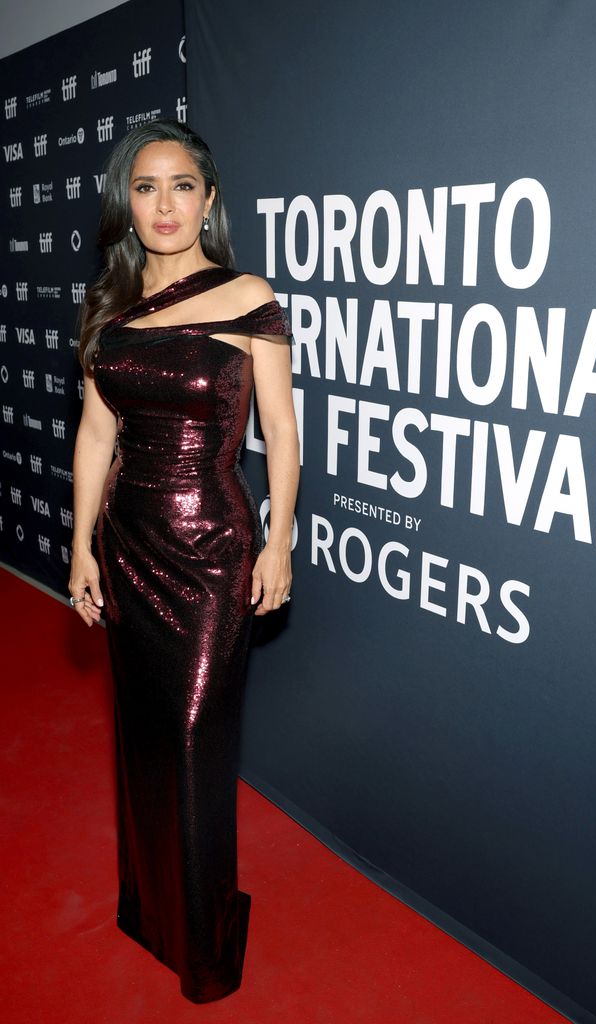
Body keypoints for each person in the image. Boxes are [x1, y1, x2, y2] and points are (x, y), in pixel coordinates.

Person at [68, 119, 300, 1003]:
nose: (165, 205)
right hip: (128, 542)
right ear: (125, 204)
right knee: (145, 736)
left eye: (182, 187)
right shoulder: (108, 307)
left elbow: (279, 430)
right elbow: (96, 433)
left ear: (209, 199)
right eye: (145, 187)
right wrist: (81, 541)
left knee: (197, 737)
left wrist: (279, 540)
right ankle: (154, 910)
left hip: (211, 549)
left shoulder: (248, 295)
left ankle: (201, 943)